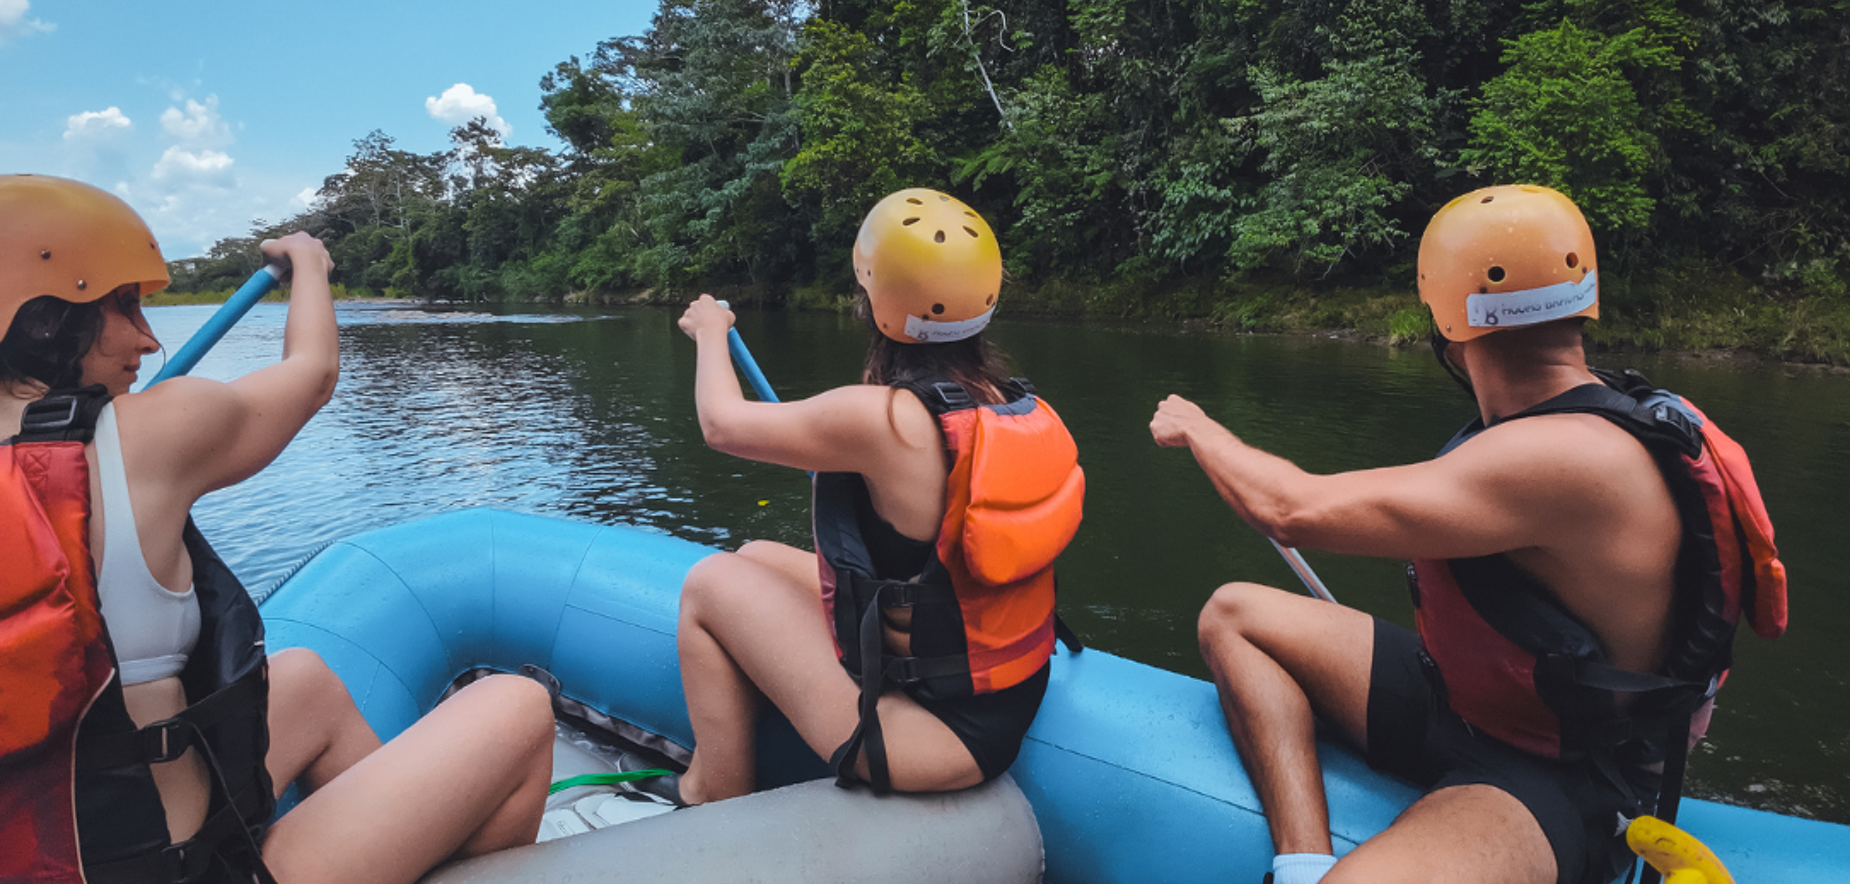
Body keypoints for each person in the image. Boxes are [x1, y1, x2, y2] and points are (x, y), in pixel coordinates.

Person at [1150, 184, 1785, 884]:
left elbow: (1287, 510)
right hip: (1467, 703)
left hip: (1560, 775)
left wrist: (1198, 427)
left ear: (1449, 324)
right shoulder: (1575, 416)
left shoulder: (1564, 457)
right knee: (1235, 614)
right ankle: (1302, 861)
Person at [0, 175, 554, 884]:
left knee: (304, 679)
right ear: (43, 320)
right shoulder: (148, 434)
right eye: (123, 305)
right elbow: (312, 373)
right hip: (181, 871)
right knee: (517, 703)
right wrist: (309, 261)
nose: (146, 338)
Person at [671, 187, 1084, 805]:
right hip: (999, 697)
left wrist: (711, 330)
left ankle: (711, 790)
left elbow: (722, 425)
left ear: (873, 299)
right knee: (754, 552)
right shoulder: (1008, 401)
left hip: (935, 736)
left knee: (708, 584)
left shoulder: (882, 420)